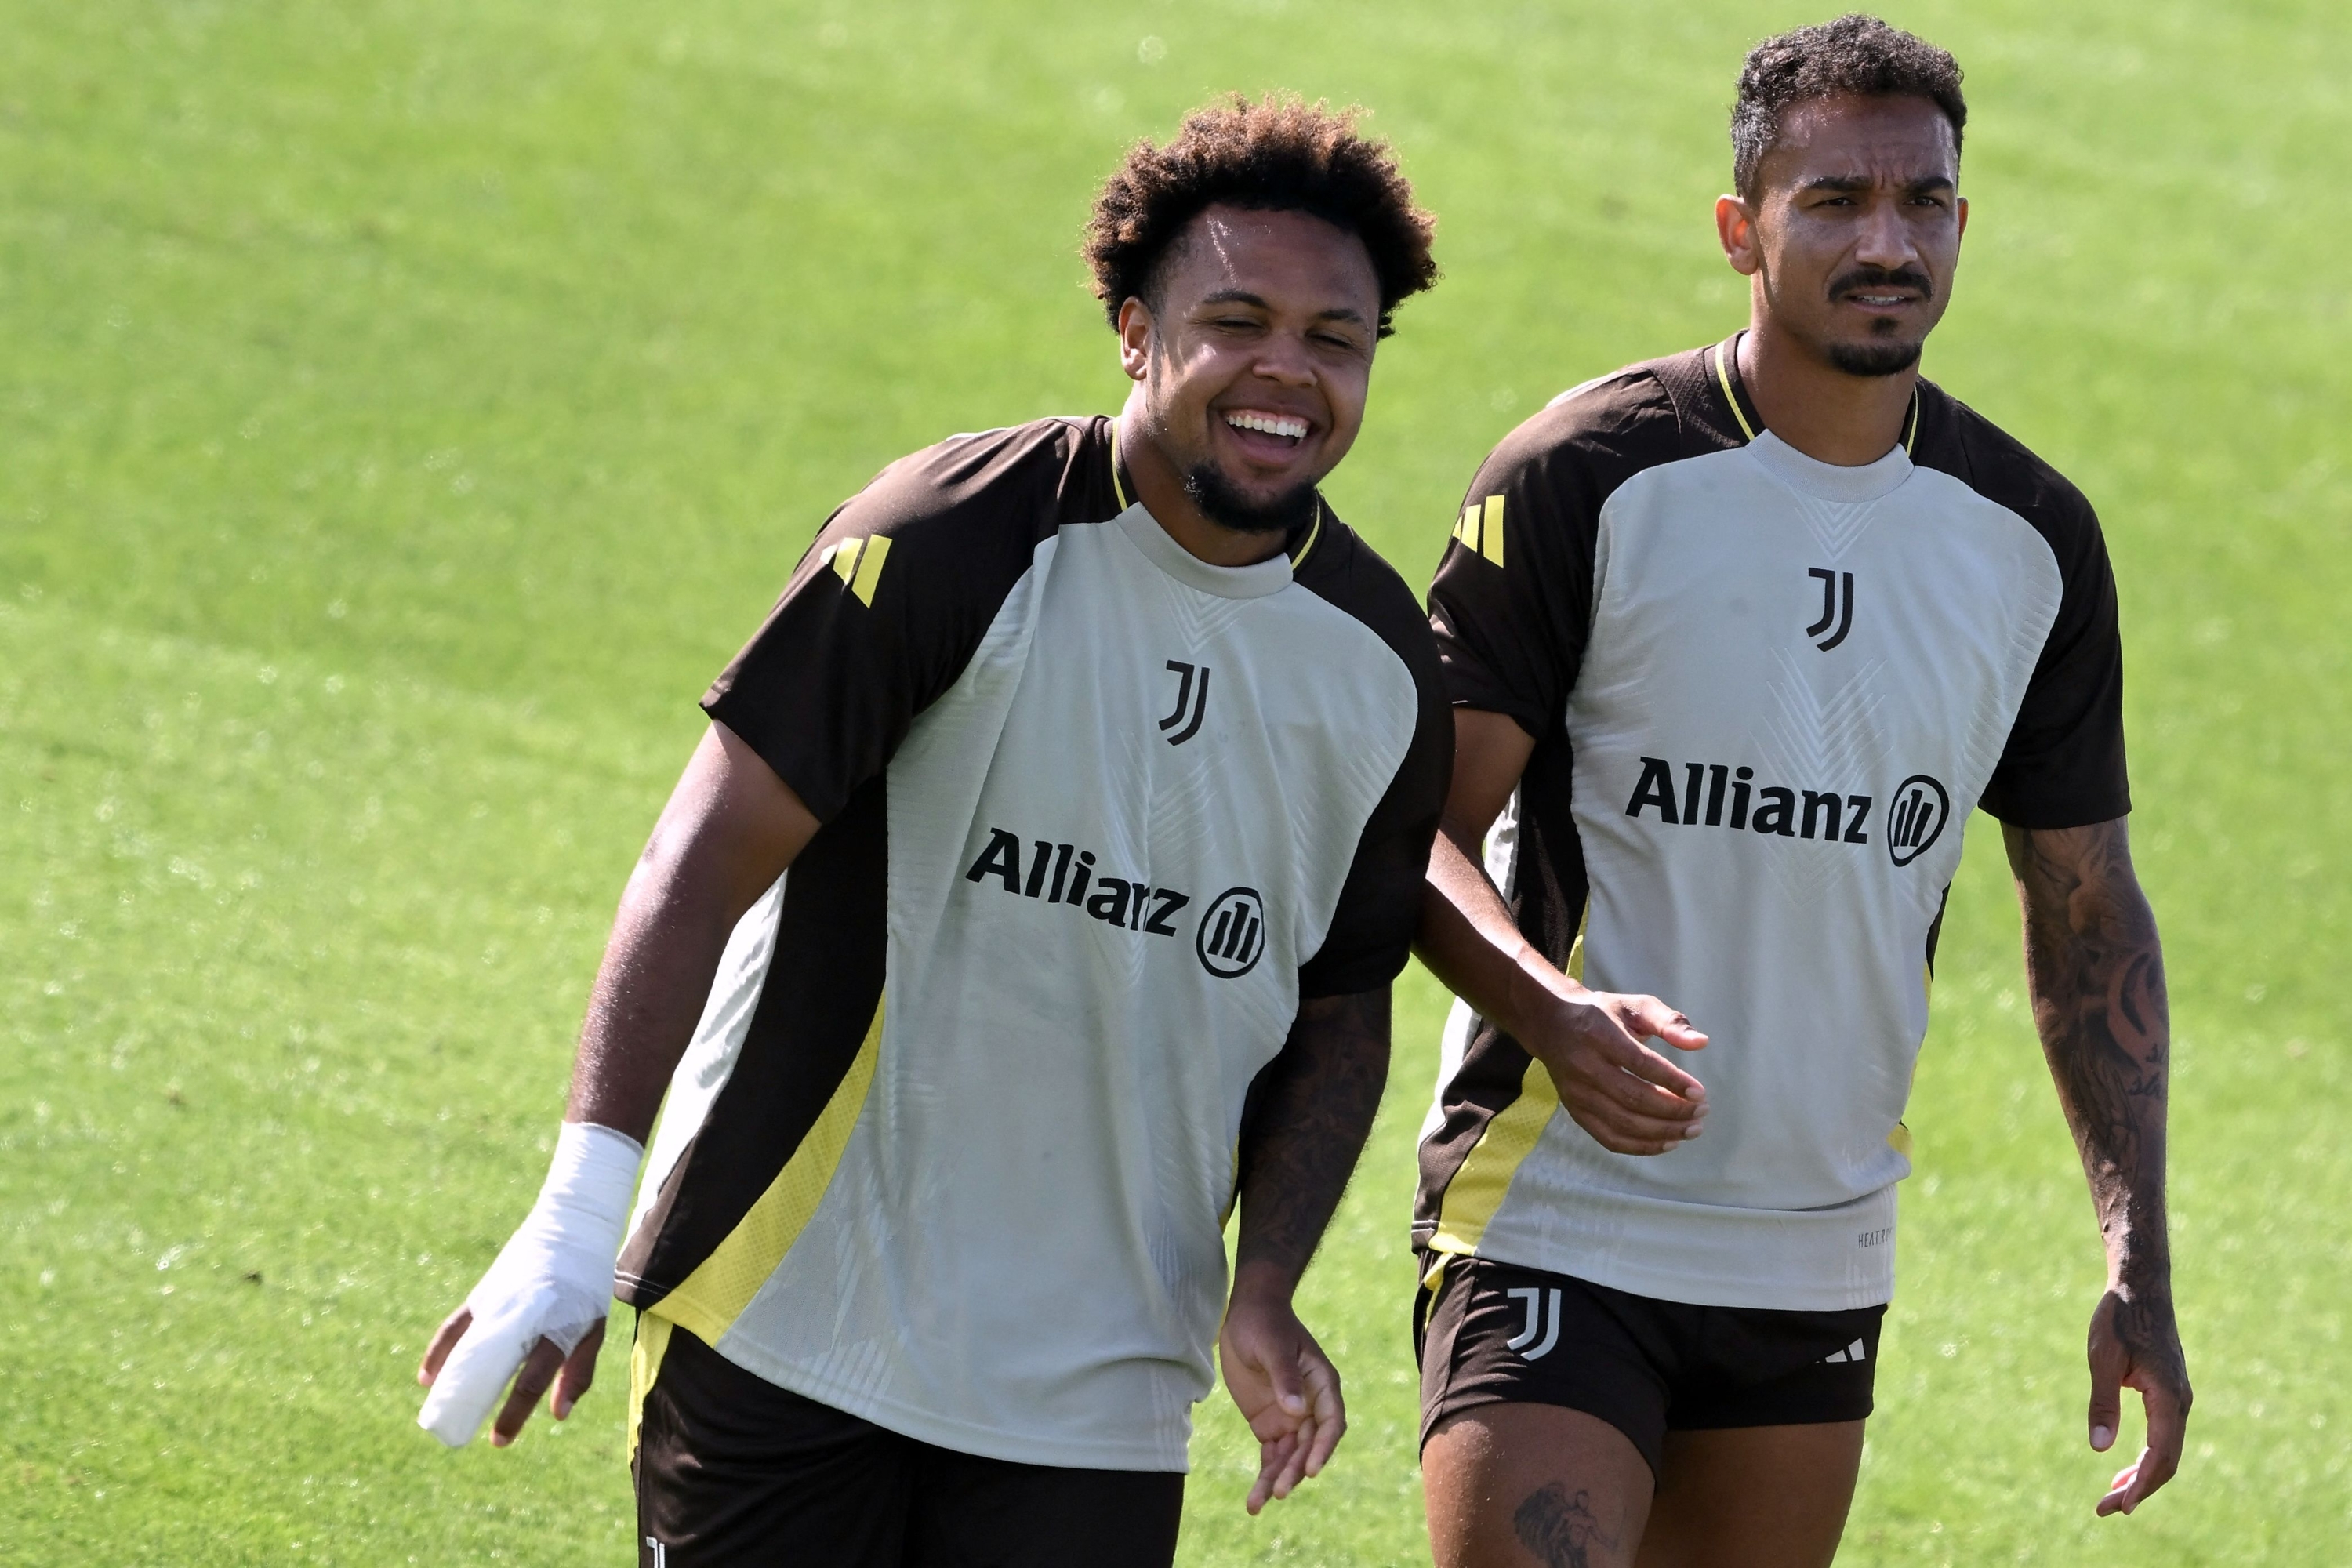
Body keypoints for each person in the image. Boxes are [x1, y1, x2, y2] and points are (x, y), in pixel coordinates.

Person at [414, 94, 1453, 1567]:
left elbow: (1343, 1007)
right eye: (1235, 320)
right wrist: (579, 1216)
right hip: (789, 1324)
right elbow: (697, 862)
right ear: (1136, 332)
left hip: (1096, 1402)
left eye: (1334, 337)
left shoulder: (1378, 666)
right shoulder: (948, 538)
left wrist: (1266, 1282)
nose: (1285, 369)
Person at [1409, 17, 2189, 1566]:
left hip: (1817, 1247)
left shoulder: (2030, 538)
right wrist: (1551, 1009)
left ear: (1964, 222)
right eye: (1834, 201)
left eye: (1923, 202)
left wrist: (2137, 1255)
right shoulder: (1588, 476)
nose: (1886, 240)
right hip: (1557, 1206)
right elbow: (1402, 833)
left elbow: (2085, 908)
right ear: (1740, 227)